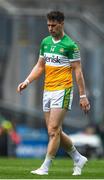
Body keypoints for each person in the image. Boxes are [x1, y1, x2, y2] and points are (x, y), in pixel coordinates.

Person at [17, 11, 90, 176]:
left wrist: (83, 96)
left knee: (53, 130)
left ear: (62, 24)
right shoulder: (45, 42)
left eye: (53, 25)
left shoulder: (70, 45)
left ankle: (45, 167)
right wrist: (27, 81)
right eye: (48, 25)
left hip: (63, 90)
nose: (50, 28)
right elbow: (40, 66)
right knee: (54, 130)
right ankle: (78, 158)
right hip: (47, 90)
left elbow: (78, 71)